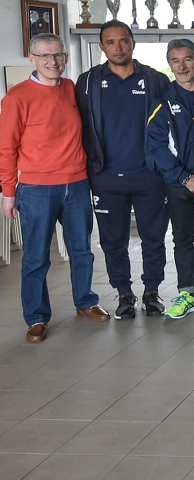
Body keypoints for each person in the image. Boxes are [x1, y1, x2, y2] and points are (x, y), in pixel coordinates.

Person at [1, 34, 107, 343]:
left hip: (77, 183)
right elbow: (6, 149)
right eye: (45, 56)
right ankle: (36, 317)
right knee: (36, 257)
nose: (53, 61)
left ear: (66, 57)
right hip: (36, 188)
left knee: (82, 250)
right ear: (31, 58)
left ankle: (85, 301)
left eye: (59, 55)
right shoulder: (17, 97)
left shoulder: (71, 89)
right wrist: (8, 193)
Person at [75, 20, 170, 319]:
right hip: (105, 176)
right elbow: (78, 125)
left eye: (124, 40)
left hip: (148, 175)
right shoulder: (87, 82)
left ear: (133, 43)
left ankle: (152, 291)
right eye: (111, 42)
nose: (118, 47)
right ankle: (124, 293)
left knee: (154, 238)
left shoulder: (155, 80)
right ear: (101, 46)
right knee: (113, 241)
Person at [146, 38, 194, 320]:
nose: (182, 66)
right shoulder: (163, 100)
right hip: (179, 182)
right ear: (169, 65)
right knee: (182, 238)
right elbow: (156, 146)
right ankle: (188, 293)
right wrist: (183, 177)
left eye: (187, 59)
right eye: (175, 61)